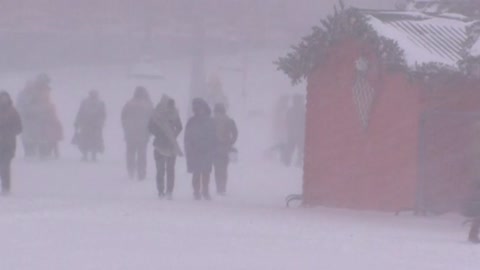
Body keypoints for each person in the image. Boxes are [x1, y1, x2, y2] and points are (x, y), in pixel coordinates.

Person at [149, 95, 183, 199]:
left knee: (169, 169)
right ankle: (161, 190)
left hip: (169, 145)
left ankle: (168, 191)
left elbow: (180, 127)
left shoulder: (172, 114)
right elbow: (150, 127)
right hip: (162, 144)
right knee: (162, 169)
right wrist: (162, 134)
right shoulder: (157, 115)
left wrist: (172, 135)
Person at [184, 98, 216, 200]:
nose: (198, 111)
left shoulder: (209, 121)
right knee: (197, 172)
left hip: (206, 150)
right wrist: (189, 147)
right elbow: (187, 136)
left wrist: (212, 147)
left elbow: (214, 135)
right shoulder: (192, 121)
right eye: (196, 109)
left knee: (206, 172)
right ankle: (197, 191)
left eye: (200, 109)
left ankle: (205, 191)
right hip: (195, 150)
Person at [122, 86, 154, 180]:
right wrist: (150, 131)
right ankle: (141, 172)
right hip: (143, 133)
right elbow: (153, 119)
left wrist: (126, 127)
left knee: (130, 152)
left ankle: (131, 169)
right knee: (142, 153)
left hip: (130, 133)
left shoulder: (129, 104)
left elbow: (123, 117)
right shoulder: (148, 105)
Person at [212, 103, 238, 195]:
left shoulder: (212, 121)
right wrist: (230, 142)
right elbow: (235, 133)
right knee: (224, 168)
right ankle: (222, 187)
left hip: (215, 147)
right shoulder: (229, 121)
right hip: (225, 147)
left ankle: (219, 187)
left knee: (217, 168)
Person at [74, 90, 106, 162]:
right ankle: (85, 155)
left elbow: (103, 115)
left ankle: (93, 156)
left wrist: (101, 123)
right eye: (92, 94)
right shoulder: (85, 102)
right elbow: (80, 112)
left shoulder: (100, 103)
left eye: (94, 95)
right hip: (86, 125)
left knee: (94, 140)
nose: (93, 96)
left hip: (94, 125)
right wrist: (77, 122)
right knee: (86, 140)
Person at [0, 91, 22, 195]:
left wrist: (9, 130)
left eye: (5, 98)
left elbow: (19, 128)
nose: (3, 100)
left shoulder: (13, 111)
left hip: (8, 144)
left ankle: (6, 187)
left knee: (5, 166)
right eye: (2, 98)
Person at [284, 94, 306, 166]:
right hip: (299, 134)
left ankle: (287, 162)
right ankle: (296, 162)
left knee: (291, 149)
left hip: (293, 134)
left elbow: (287, 122)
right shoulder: (303, 110)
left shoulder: (291, 111)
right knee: (298, 150)